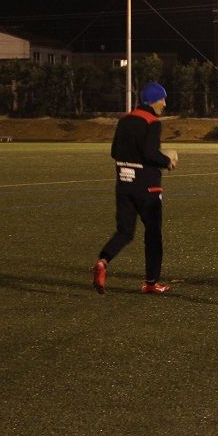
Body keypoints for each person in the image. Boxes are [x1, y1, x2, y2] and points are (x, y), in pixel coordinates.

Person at [91, 82, 177, 295]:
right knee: (153, 234)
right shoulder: (152, 122)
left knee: (125, 231)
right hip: (147, 186)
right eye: (162, 99)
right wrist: (167, 161)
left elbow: (114, 152)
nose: (164, 104)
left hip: (123, 183)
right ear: (153, 100)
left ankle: (103, 260)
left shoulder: (125, 120)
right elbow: (149, 153)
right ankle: (151, 283)